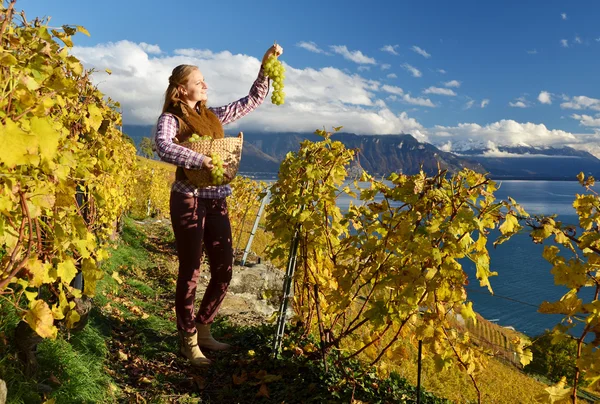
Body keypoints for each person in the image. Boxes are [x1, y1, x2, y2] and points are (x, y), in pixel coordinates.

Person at [155, 44, 283, 366]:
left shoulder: (213, 116)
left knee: (224, 269)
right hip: (187, 198)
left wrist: (265, 68)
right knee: (191, 269)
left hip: (216, 200)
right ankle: (188, 340)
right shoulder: (171, 118)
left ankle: (204, 328)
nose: (205, 85)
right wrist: (201, 159)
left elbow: (251, 101)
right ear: (182, 89)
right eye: (200, 81)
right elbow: (163, 147)